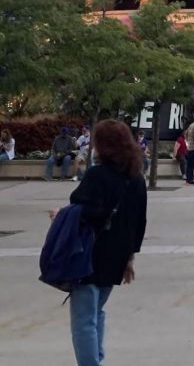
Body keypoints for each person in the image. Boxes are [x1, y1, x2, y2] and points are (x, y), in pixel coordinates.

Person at [65, 119, 148, 366]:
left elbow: (84, 208)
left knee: (83, 319)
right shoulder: (136, 178)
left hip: (90, 252)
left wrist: (63, 215)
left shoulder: (97, 175)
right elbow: (139, 221)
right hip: (118, 254)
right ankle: (97, 359)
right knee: (96, 311)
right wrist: (130, 257)